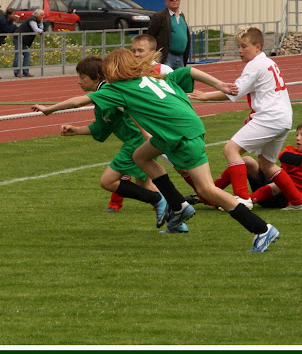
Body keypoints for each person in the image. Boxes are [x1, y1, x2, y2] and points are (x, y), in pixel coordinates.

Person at [34, 48, 281, 252]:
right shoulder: (151, 77)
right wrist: (220, 85)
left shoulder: (117, 88)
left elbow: (79, 101)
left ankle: (262, 229)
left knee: (207, 189)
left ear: (114, 69)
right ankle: (178, 205)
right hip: (176, 130)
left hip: (181, 134)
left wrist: (49, 109)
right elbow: (189, 71)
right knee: (140, 156)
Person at [35, 56, 175, 232]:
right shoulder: (103, 101)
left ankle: (162, 201)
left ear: (96, 77)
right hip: (139, 141)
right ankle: (177, 216)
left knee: (108, 182)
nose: (79, 82)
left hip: (137, 142)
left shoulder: (107, 90)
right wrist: (76, 130)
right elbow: (101, 128)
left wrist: (49, 110)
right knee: (144, 184)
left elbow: (77, 102)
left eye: (82, 77)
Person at [189, 27, 302, 209]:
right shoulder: (268, 62)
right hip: (283, 118)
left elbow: (234, 91)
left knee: (231, 149)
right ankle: (299, 202)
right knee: (266, 164)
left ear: (257, 47)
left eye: (244, 46)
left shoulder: (255, 65)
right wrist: (253, 114)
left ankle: (242, 198)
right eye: (238, 46)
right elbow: (269, 93)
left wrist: (205, 96)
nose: (240, 50)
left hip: (270, 117)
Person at [104, 33, 177, 212]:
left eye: (140, 51)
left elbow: (176, 94)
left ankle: (193, 199)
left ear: (152, 52)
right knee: (136, 168)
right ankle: (117, 203)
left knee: (180, 168)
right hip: (142, 129)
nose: (136, 54)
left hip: (162, 128)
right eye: (134, 50)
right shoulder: (129, 71)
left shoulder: (163, 70)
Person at [245, 121, 302, 209]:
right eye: (297, 135)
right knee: (247, 161)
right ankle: (231, 193)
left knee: (281, 184)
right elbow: (283, 156)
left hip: (288, 198)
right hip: (271, 187)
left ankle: (245, 201)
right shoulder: (290, 150)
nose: (298, 138)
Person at [147, 0, 190, 69]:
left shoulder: (182, 16)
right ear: (166, 2)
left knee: (180, 77)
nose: (174, 0)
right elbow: (150, 35)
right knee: (166, 76)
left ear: (180, 1)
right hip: (167, 57)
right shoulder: (159, 16)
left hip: (181, 57)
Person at [13, 9, 44, 77]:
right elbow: (36, 29)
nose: (42, 17)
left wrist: (41, 23)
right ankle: (16, 72)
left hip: (24, 39)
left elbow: (41, 29)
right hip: (18, 38)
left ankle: (25, 71)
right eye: (41, 15)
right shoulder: (32, 20)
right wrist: (40, 31)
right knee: (18, 54)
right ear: (37, 15)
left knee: (27, 54)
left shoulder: (37, 21)